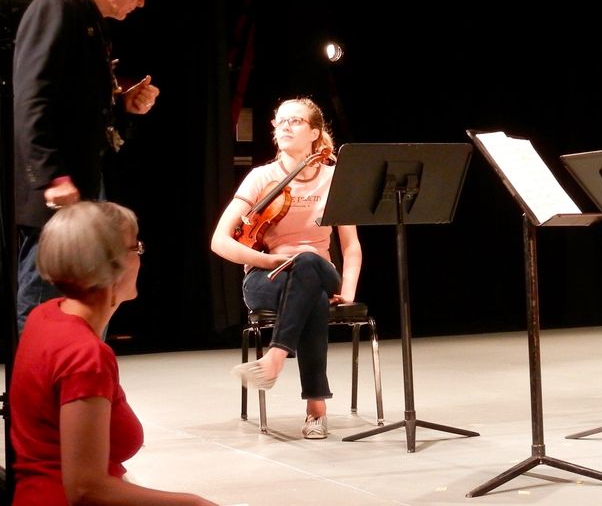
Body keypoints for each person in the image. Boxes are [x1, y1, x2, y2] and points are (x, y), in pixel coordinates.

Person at [10, 201, 217, 505]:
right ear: (112, 263)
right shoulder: (85, 355)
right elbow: (85, 489)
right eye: (137, 248)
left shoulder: (45, 315)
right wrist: (194, 502)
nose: (141, 259)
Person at [12, 0, 161, 333]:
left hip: (79, 182)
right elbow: (31, 102)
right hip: (57, 188)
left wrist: (123, 106)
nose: (142, 0)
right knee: (47, 295)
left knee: (85, 295)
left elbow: (76, 106)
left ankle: (77, 385)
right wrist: (51, 177)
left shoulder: (89, 22)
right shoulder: (55, 9)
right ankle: (37, 391)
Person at [210, 97, 362, 439]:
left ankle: (275, 358)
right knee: (309, 294)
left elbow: (351, 247)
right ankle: (316, 409)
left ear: (314, 132)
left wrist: (348, 293)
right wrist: (268, 260)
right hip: (267, 276)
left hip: (322, 272)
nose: (284, 127)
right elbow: (219, 240)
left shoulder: (335, 177)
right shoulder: (261, 177)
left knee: (308, 262)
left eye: (294, 121)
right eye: (280, 122)